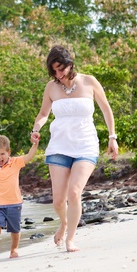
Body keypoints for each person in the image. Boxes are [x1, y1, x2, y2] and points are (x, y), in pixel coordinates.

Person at [30, 45, 118, 252]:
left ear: (70, 64)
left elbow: (106, 109)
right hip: (59, 146)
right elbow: (43, 114)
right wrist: (36, 128)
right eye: (54, 72)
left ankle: (70, 239)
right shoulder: (51, 87)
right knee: (59, 200)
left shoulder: (89, 81)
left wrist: (112, 137)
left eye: (61, 69)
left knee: (75, 192)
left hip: (85, 145)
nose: (58, 75)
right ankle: (64, 222)